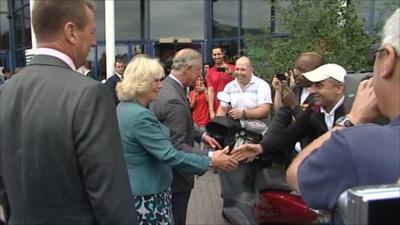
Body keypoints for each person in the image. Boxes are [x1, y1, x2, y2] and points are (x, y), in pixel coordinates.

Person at [0, 1, 138, 224]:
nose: (94, 42)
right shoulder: (90, 94)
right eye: (91, 32)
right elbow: (112, 201)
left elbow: (5, 190)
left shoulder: (5, 93)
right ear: (71, 32)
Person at [285, 9, 400, 225]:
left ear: (388, 60)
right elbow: (289, 131)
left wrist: (352, 119)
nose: (313, 91)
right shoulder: (312, 108)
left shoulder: (358, 141)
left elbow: (297, 173)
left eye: (319, 85)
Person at [116, 55, 238, 225]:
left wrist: (201, 137)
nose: (160, 85)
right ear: (141, 83)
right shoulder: (139, 115)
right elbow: (170, 154)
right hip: (148, 196)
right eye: (156, 81)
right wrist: (211, 161)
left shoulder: (127, 108)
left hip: (140, 191)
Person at [150, 48, 223, 225]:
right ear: (188, 68)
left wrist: (201, 135)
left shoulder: (169, 87)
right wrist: (211, 157)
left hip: (167, 174)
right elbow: (177, 144)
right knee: (177, 219)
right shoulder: (174, 98)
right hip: (177, 178)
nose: (200, 76)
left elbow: (182, 122)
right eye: (198, 71)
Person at [232, 64, 347, 163]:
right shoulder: (314, 110)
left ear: (339, 88)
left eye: (319, 86)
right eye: (312, 85)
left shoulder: (353, 114)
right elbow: (290, 134)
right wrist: (260, 147)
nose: (312, 91)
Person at [216, 56, 273, 224]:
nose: (239, 73)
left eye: (243, 69)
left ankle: (254, 209)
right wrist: (218, 122)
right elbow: (223, 107)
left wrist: (244, 113)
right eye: (238, 69)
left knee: (253, 170)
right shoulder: (229, 86)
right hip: (235, 134)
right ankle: (233, 208)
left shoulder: (261, 85)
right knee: (233, 168)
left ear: (251, 69)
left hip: (256, 134)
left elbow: (265, 110)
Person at [207, 46, 235, 119]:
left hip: (233, 107)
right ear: (212, 56)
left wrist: (232, 74)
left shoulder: (233, 68)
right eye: (214, 55)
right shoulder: (210, 72)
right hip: (217, 107)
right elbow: (210, 91)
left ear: (223, 54)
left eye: (219, 54)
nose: (217, 57)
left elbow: (241, 82)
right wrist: (211, 110)